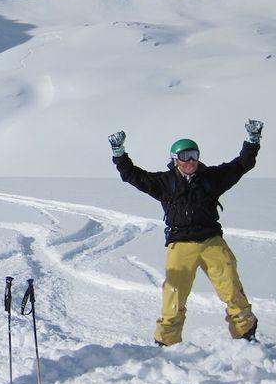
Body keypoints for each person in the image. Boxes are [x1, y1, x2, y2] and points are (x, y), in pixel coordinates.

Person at [107, 120, 263, 346]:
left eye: (194, 155)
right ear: (175, 159)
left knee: (231, 288)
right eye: (185, 156)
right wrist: (118, 152)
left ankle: (246, 335)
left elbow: (241, 164)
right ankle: (167, 343)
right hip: (180, 243)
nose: (190, 161)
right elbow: (132, 175)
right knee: (174, 295)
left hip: (211, 241)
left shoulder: (211, 178)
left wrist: (252, 140)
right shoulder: (165, 183)